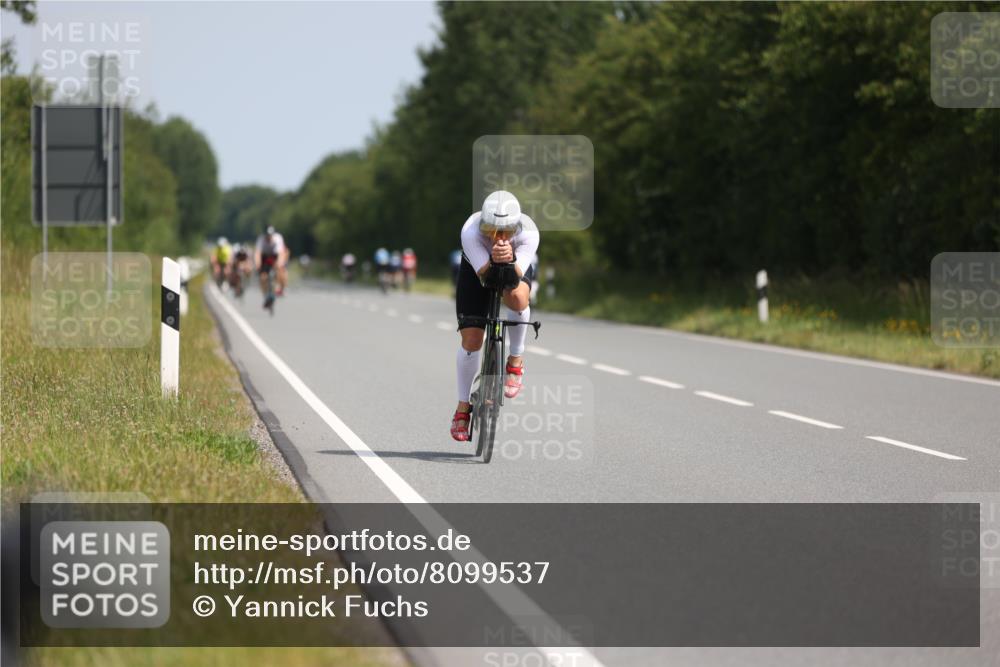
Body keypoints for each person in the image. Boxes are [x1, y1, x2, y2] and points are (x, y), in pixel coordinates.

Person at [450, 190, 539, 442]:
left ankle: (515, 360)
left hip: (513, 265)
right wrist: (495, 260)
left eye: (506, 232)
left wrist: (509, 259)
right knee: (472, 340)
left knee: (518, 298)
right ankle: (462, 408)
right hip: (477, 270)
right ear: (483, 224)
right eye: (491, 230)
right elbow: (486, 277)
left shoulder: (528, 233)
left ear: (517, 226)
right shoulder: (471, 231)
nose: (499, 237)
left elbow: (512, 279)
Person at [255, 225, 290, 308]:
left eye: (270, 235)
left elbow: (281, 254)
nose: (269, 237)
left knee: (281, 269)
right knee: (262, 277)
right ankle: (266, 295)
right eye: (267, 235)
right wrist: (258, 264)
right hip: (265, 257)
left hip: (276, 255)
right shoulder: (261, 239)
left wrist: (279, 264)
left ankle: (281, 287)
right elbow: (258, 253)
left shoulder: (278, 238)